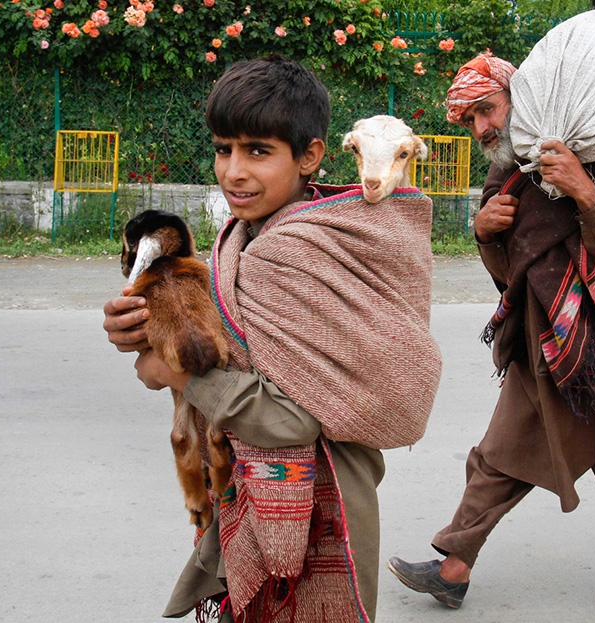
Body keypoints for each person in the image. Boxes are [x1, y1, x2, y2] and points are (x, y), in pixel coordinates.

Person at [103, 54, 441, 623]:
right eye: (223, 148)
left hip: (317, 512)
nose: (234, 171)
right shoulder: (252, 234)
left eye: (258, 151)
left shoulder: (291, 251)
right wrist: (146, 331)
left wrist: (175, 371)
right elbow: (231, 337)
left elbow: (291, 419)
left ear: (310, 156)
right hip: (267, 490)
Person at [387, 52, 595, 616]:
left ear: (521, 101)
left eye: (488, 109)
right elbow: (512, 279)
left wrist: (586, 195)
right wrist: (484, 234)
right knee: (498, 457)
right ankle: (453, 569)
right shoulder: (504, 180)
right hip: (543, 349)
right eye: (469, 120)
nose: (482, 127)